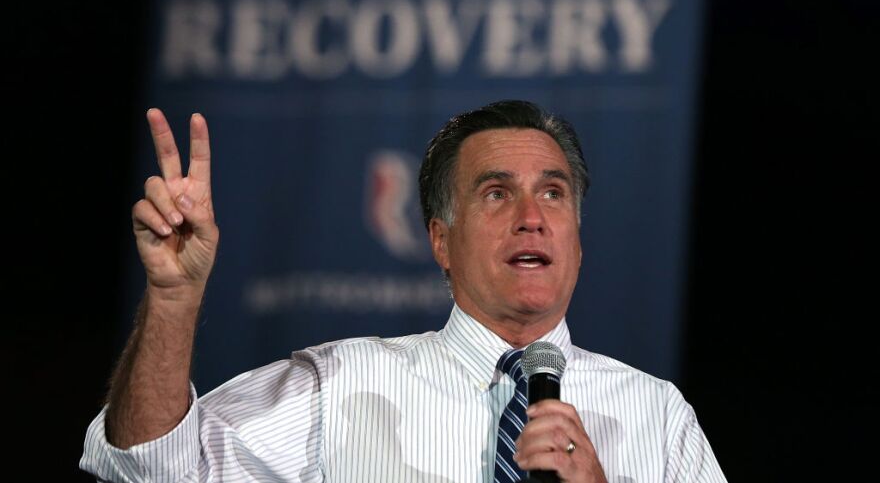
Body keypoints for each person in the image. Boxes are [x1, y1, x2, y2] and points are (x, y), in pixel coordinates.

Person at [81, 100, 727, 482]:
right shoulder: (337, 386)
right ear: (441, 241)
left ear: (579, 241)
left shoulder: (657, 416)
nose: (532, 216)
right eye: (497, 192)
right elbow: (148, 466)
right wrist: (172, 299)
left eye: (553, 193)